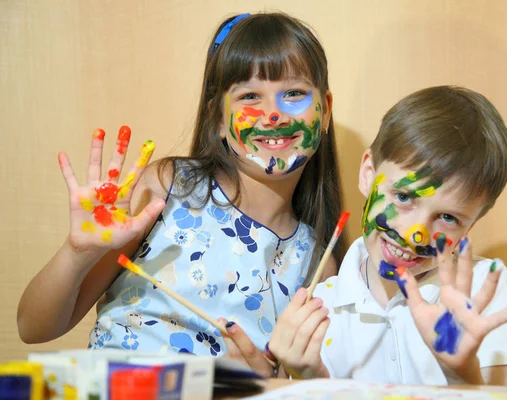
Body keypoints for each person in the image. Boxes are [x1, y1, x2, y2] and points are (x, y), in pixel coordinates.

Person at [17, 12, 346, 376]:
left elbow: (293, 382)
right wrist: (77, 252)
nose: (273, 114)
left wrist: (267, 380)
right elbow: (33, 329)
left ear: (325, 111)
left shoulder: (318, 262)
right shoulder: (167, 188)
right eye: (250, 95)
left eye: (294, 94)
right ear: (218, 120)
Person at [266, 86, 507, 385]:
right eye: (403, 196)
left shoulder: (486, 293)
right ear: (368, 174)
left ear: (470, 227)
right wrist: (311, 378)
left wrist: (461, 371)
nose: (415, 235)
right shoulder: (318, 310)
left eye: (448, 218)